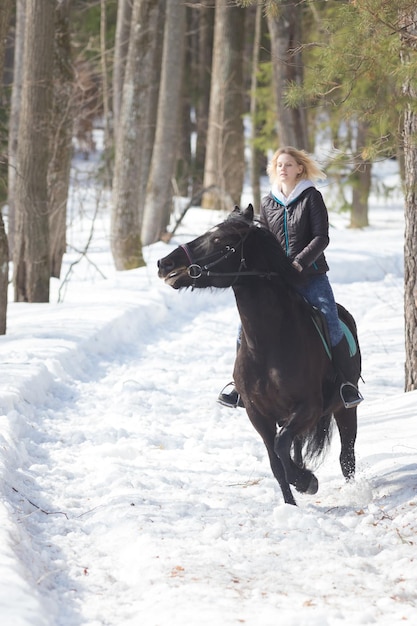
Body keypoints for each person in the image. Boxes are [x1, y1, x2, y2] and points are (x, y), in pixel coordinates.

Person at [218, 146, 363, 410]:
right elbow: (265, 240)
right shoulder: (268, 202)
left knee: (330, 320)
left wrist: (299, 263)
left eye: (288, 164)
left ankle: (345, 383)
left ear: (299, 168)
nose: (283, 169)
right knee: (244, 328)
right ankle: (238, 386)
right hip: (276, 280)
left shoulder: (311, 197)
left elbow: (321, 238)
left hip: (311, 275)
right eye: (279, 165)